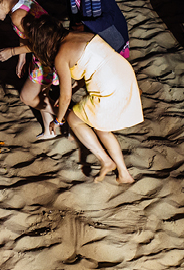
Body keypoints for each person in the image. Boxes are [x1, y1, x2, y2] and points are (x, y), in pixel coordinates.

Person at [23, 13, 143, 184]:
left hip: (109, 88)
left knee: (74, 119)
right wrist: (72, 89)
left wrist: (58, 120)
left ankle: (106, 161)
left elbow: (65, 97)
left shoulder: (61, 56)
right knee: (101, 127)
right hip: (123, 74)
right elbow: (88, 66)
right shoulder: (80, 34)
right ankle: (123, 173)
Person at [0, 0, 59, 138]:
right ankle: (49, 130)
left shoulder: (17, 16)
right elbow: (26, 33)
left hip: (47, 56)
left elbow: (41, 43)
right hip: (43, 53)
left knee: (27, 97)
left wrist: (12, 52)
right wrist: (22, 57)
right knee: (41, 93)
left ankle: (67, 115)